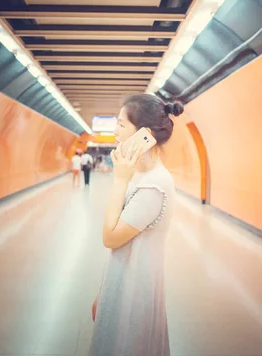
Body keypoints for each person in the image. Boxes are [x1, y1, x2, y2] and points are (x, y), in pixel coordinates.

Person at [88, 94, 184, 356]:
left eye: (120, 124)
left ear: (145, 134)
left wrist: (119, 181)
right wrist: (104, 291)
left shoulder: (154, 185)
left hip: (134, 294)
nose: (114, 132)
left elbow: (110, 238)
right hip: (121, 285)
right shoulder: (139, 176)